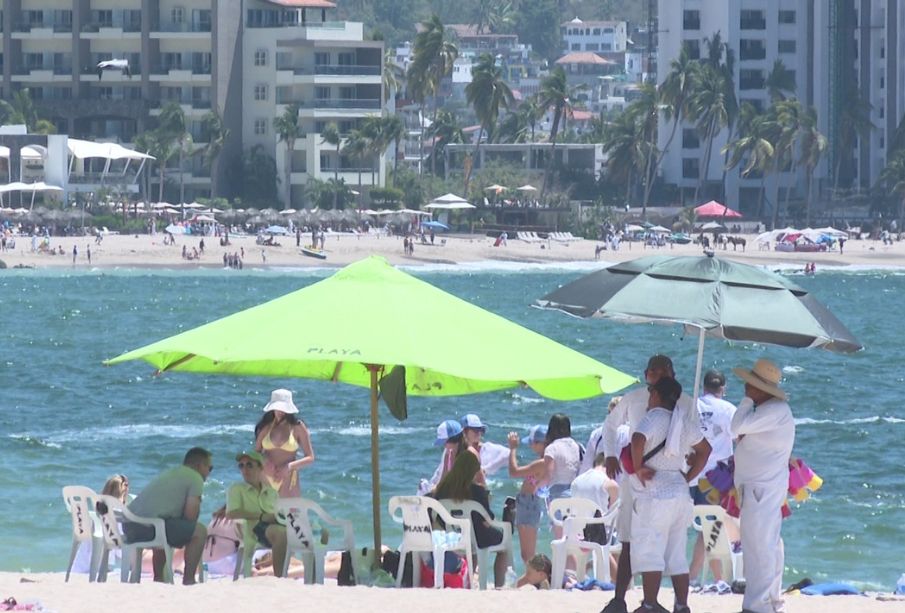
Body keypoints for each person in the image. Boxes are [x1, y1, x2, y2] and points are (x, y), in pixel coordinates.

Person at [601, 355, 695, 613]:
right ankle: (620, 599)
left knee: (665, 544)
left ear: (672, 373)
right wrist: (610, 455)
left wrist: (688, 475)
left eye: (660, 370)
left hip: (661, 481)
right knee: (629, 538)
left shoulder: (685, 403)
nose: (654, 374)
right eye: (651, 370)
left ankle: (661, 603)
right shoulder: (634, 398)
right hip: (639, 479)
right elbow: (610, 425)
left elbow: (694, 443)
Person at [629, 377, 711, 613]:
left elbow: (637, 439)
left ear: (657, 394)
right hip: (679, 487)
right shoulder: (684, 421)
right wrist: (687, 476)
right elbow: (705, 450)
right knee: (676, 552)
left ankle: (650, 603)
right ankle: (682, 605)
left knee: (651, 548)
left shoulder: (654, 416)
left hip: (656, 490)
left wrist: (637, 467)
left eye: (650, 391)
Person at [731, 359, 796, 613]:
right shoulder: (769, 411)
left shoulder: (773, 411)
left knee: (759, 547)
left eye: (751, 384)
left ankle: (759, 605)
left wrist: (746, 401)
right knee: (766, 545)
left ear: (761, 388)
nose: (746, 387)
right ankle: (768, 601)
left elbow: (734, 427)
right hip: (761, 488)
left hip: (761, 489)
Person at [124, 447, 213, 584]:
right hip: (147, 528)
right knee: (199, 531)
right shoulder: (196, 478)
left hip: (129, 527)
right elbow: (190, 517)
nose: (209, 473)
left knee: (165, 526)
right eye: (209, 468)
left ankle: (159, 578)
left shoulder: (171, 473)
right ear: (199, 465)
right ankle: (189, 579)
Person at [689, 370, 738, 585]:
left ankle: (694, 575)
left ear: (704, 387)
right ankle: (716, 578)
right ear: (723, 389)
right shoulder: (728, 410)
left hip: (693, 475)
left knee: (706, 526)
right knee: (713, 525)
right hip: (718, 477)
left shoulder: (692, 407)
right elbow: (739, 437)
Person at [432, 451, 507, 587]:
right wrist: (485, 490)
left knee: (473, 538)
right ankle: (499, 586)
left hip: (453, 537)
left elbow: (436, 514)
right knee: (503, 543)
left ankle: (469, 580)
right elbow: (488, 519)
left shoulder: (442, 489)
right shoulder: (478, 492)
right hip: (477, 537)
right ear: (474, 471)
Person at [224, 450, 288, 577]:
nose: (244, 469)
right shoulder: (237, 489)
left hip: (275, 525)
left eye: (249, 465)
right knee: (280, 533)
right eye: (241, 466)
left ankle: (314, 580)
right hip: (254, 529)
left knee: (316, 533)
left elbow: (279, 512)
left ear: (260, 468)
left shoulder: (271, 492)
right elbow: (231, 513)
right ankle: (280, 578)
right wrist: (260, 516)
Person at [254, 389, 314, 497]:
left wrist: (288, 466)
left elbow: (310, 457)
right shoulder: (266, 426)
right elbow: (256, 453)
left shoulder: (298, 427)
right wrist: (265, 461)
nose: (281, 411)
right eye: (278, 408)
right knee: (263, 513)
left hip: (288, 478)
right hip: (265, 475)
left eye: (284, 409)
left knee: (289, 513)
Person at [507, 425, 548, 565]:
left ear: (540, 443)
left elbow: (514, 472)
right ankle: (538, 580)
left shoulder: (543, 462)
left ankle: (539, 580)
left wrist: (513, 448)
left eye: (532, 443)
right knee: (527, 554)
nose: (530, 446)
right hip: (529, 502)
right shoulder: (546, 461)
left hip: (528, 503)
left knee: (528, 554)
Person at [543, 413, 582, 538]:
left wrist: (536, 486)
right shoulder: (576, 445)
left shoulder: (552, 448)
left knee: (561, 540)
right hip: (575, 494)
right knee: (572, 539)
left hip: (557, 496)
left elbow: (548, 475)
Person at [459, 413, 509, 487]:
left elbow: (509, 454)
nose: (479, 433)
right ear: (464, 432)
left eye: (480, 429)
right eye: (475, 430)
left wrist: (486, 469)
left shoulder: (488, 448)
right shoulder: (456, 450)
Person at [421, 419, 469, 494]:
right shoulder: (448, 453)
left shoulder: (468, 455)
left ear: (453, 439)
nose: (444, 445)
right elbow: (443, 479)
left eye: (445, 442)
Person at [580, 396, 625, 475]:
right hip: (625, 483)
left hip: (602, 482)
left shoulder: (597, 434)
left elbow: (586, 466)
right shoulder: (631, 432)